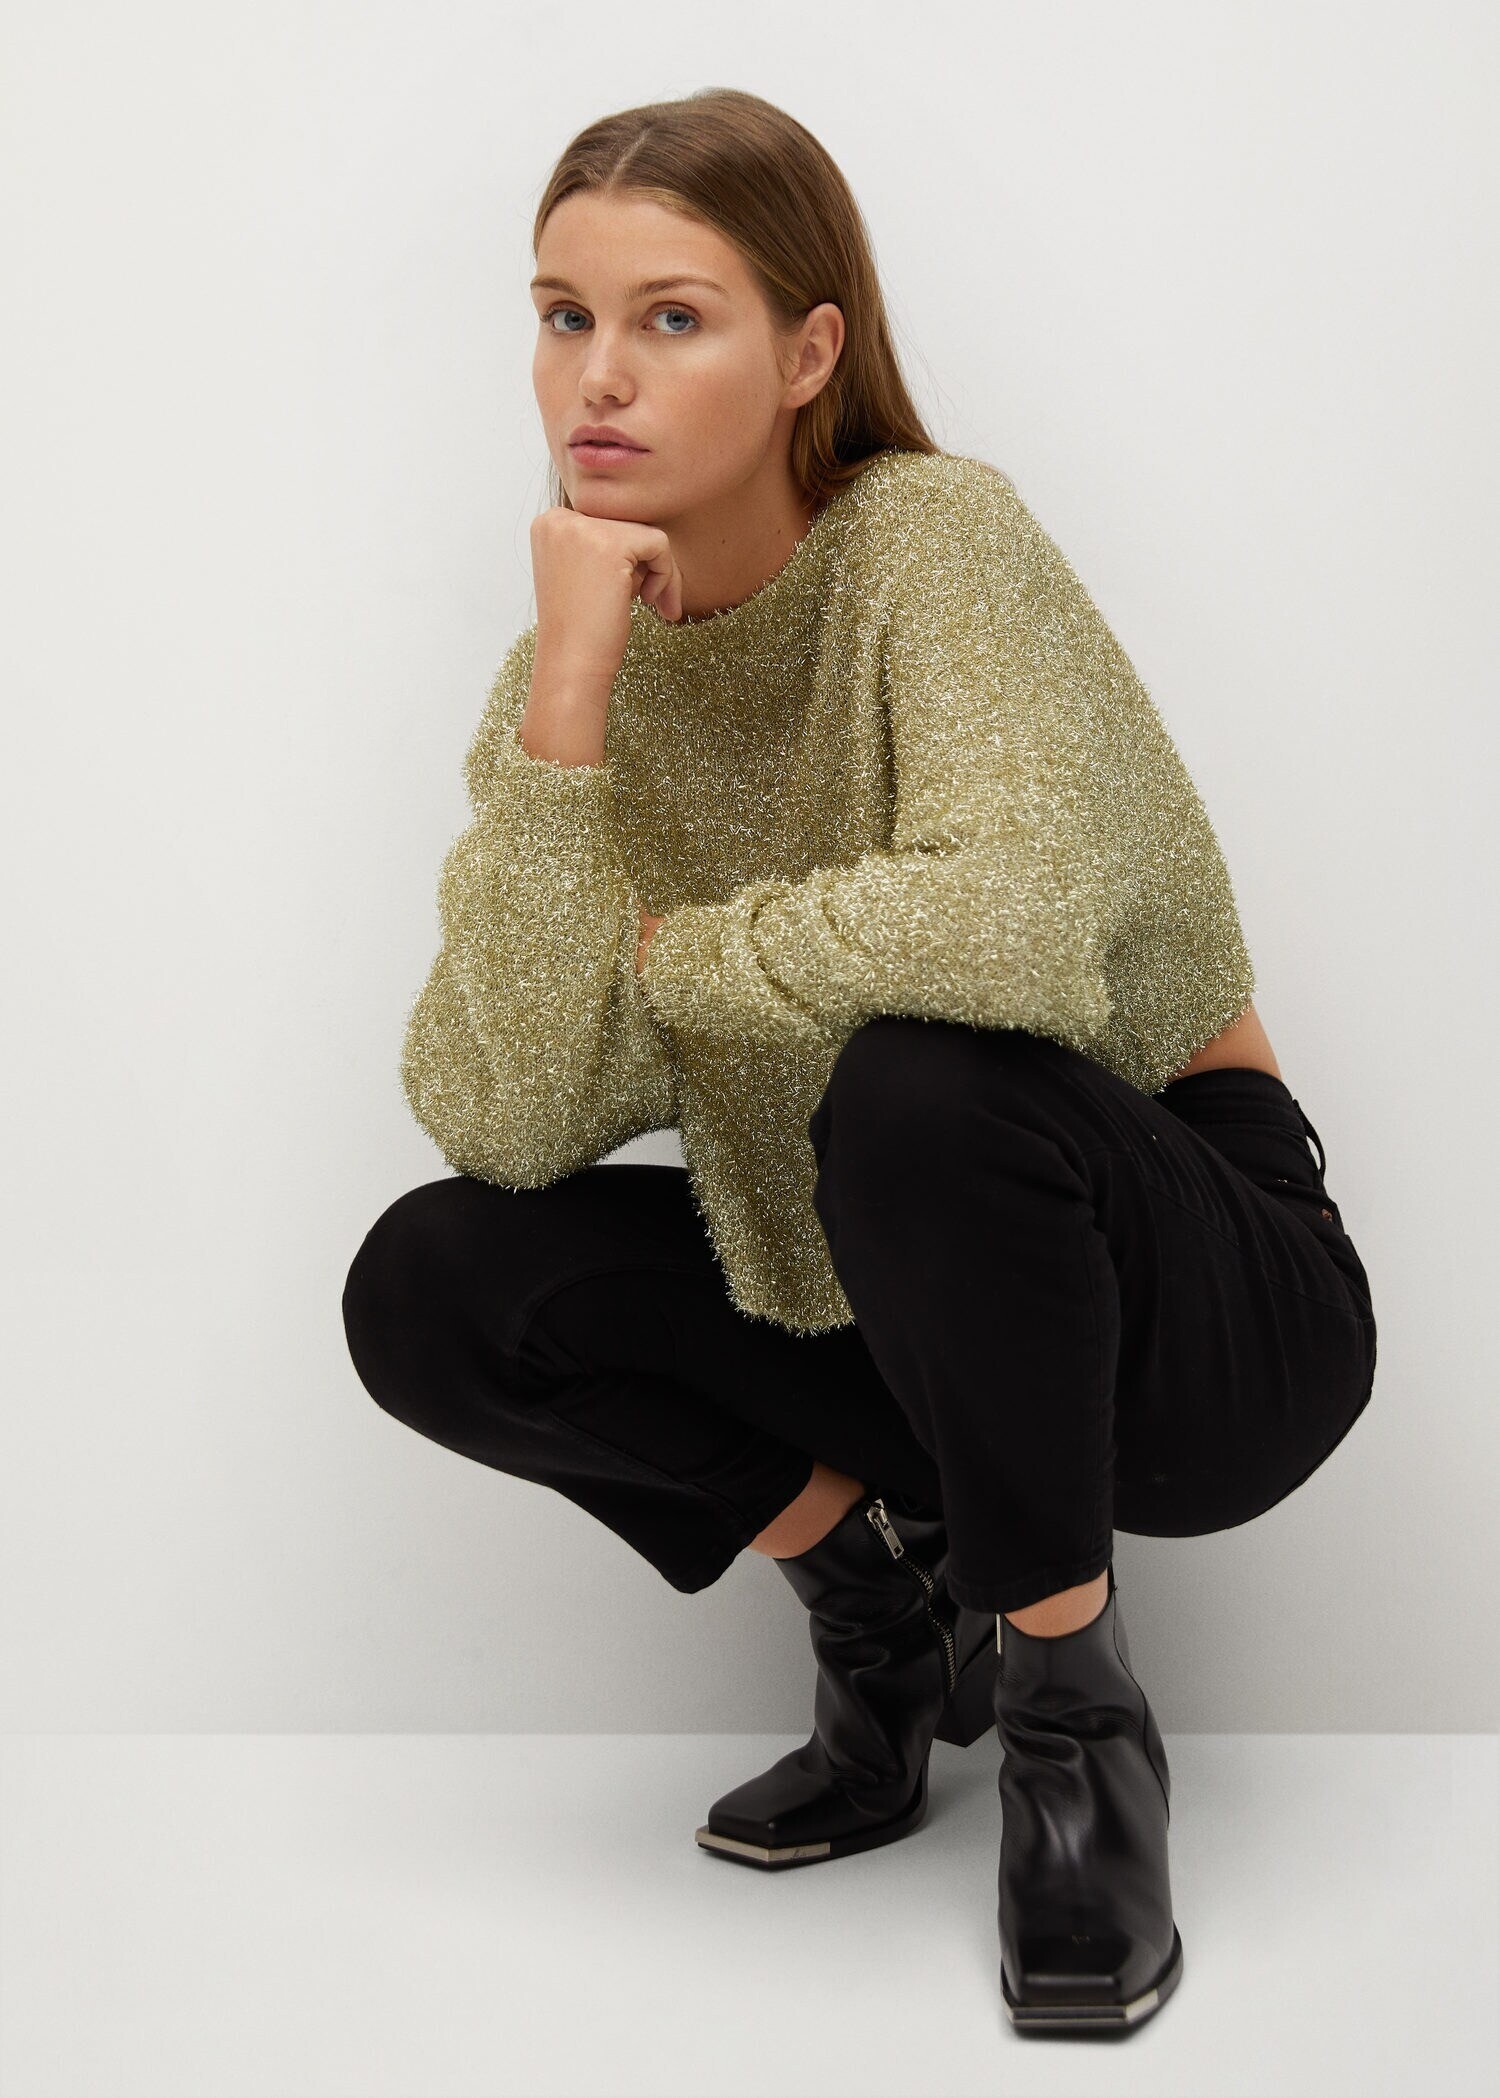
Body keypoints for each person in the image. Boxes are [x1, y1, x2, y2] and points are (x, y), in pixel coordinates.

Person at [340, 87, 1378, 2038]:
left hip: (1200, 1302)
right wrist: (570, 697)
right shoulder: (575, 669)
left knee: (921, 1079)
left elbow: (1020, 936)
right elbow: (509, 1112)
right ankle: (885, 1618)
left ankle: (1076, 1725)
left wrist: (687, 959)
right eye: (563, 315)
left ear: (810, 351)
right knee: (437, 1276)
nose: (597, 375)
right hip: (881, 1297)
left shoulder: (932, 541)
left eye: (672, 317)